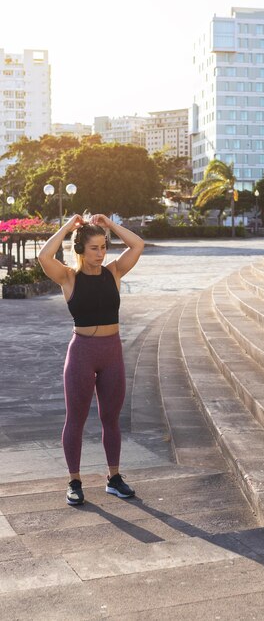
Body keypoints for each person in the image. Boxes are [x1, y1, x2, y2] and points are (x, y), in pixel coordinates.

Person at [38, 213, 145, 506]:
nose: (101, 253)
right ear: (81, 250)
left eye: (104, 247)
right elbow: (44, 255)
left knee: (111, 418)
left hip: (112, 353)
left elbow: (137, 245)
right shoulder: (68, 277)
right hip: (82, 353)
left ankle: (114, 478)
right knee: (76, 418)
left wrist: (110, 225)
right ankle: (74, 481)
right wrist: (67, 227)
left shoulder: (114, 273)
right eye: (95, 247)